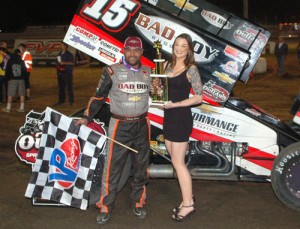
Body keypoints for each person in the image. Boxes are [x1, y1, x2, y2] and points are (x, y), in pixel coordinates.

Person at [75, 36, 152, 225]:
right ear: (124, 51)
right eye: (129, 50)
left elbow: (157, 94)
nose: (132, 54)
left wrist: (158, 88)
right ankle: (106, 205)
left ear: (141, 52)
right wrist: (87, 116)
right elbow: (99, 96)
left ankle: (138, 202)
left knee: (141, 167)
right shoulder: (111, 71)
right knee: (112, 168)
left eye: (136, 50)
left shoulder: (148, 71)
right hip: (120, 125)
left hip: (142, 124)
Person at [162, 33, 203, 222]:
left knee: (179, 163)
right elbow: (162, 91)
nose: (178, 48)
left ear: (189, 49)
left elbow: (198, 97)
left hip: (180, 117)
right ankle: (188, 197)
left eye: (183, 46)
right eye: (176, 44)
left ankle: (188, 205)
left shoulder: (191, 69)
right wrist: (157, 89)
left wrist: (176, 104)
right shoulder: (166, 65)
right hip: (168, 116)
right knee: (175, 161)